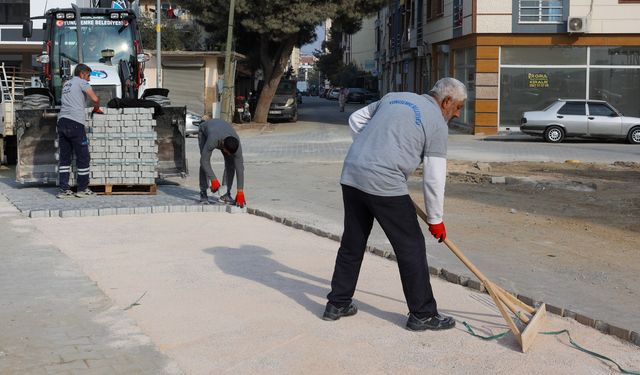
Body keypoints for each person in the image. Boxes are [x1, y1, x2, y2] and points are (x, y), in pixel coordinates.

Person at [323, 77, 467, 331]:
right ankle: (422, 314)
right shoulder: (437, 124)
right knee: (410, 246)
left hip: (353, 172)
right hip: (385, 182)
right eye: (458, 107)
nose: (457, 114)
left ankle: (337, 303)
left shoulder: (392, 97)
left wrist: (373, 153)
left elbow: (355, 119)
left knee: (353, 241)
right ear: (446, 101)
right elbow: (434, 177)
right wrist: (436, 219)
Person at [56, 64, 101, 198]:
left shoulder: (66, 84)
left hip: (62, 122)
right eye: (88, 76)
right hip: (75, 123)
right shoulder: (82, 82)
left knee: (64, 158)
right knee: (83, 157)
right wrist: (96, 108)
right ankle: (82, 189)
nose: (89, 79)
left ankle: (64, 190)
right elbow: (95, 99)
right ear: (82, 74)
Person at [198, 118, 246, 207]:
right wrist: (213, 179)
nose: (227, 154)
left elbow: (240, 167)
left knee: (231, 164)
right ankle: (203, 192)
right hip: (205, 131)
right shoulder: (213, 139)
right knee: (204, 162)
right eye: (227, 151)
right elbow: (204, 161)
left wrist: (240, 191)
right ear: (222, 144)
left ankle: (226, 194)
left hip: (222, 131)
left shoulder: (236, 144)